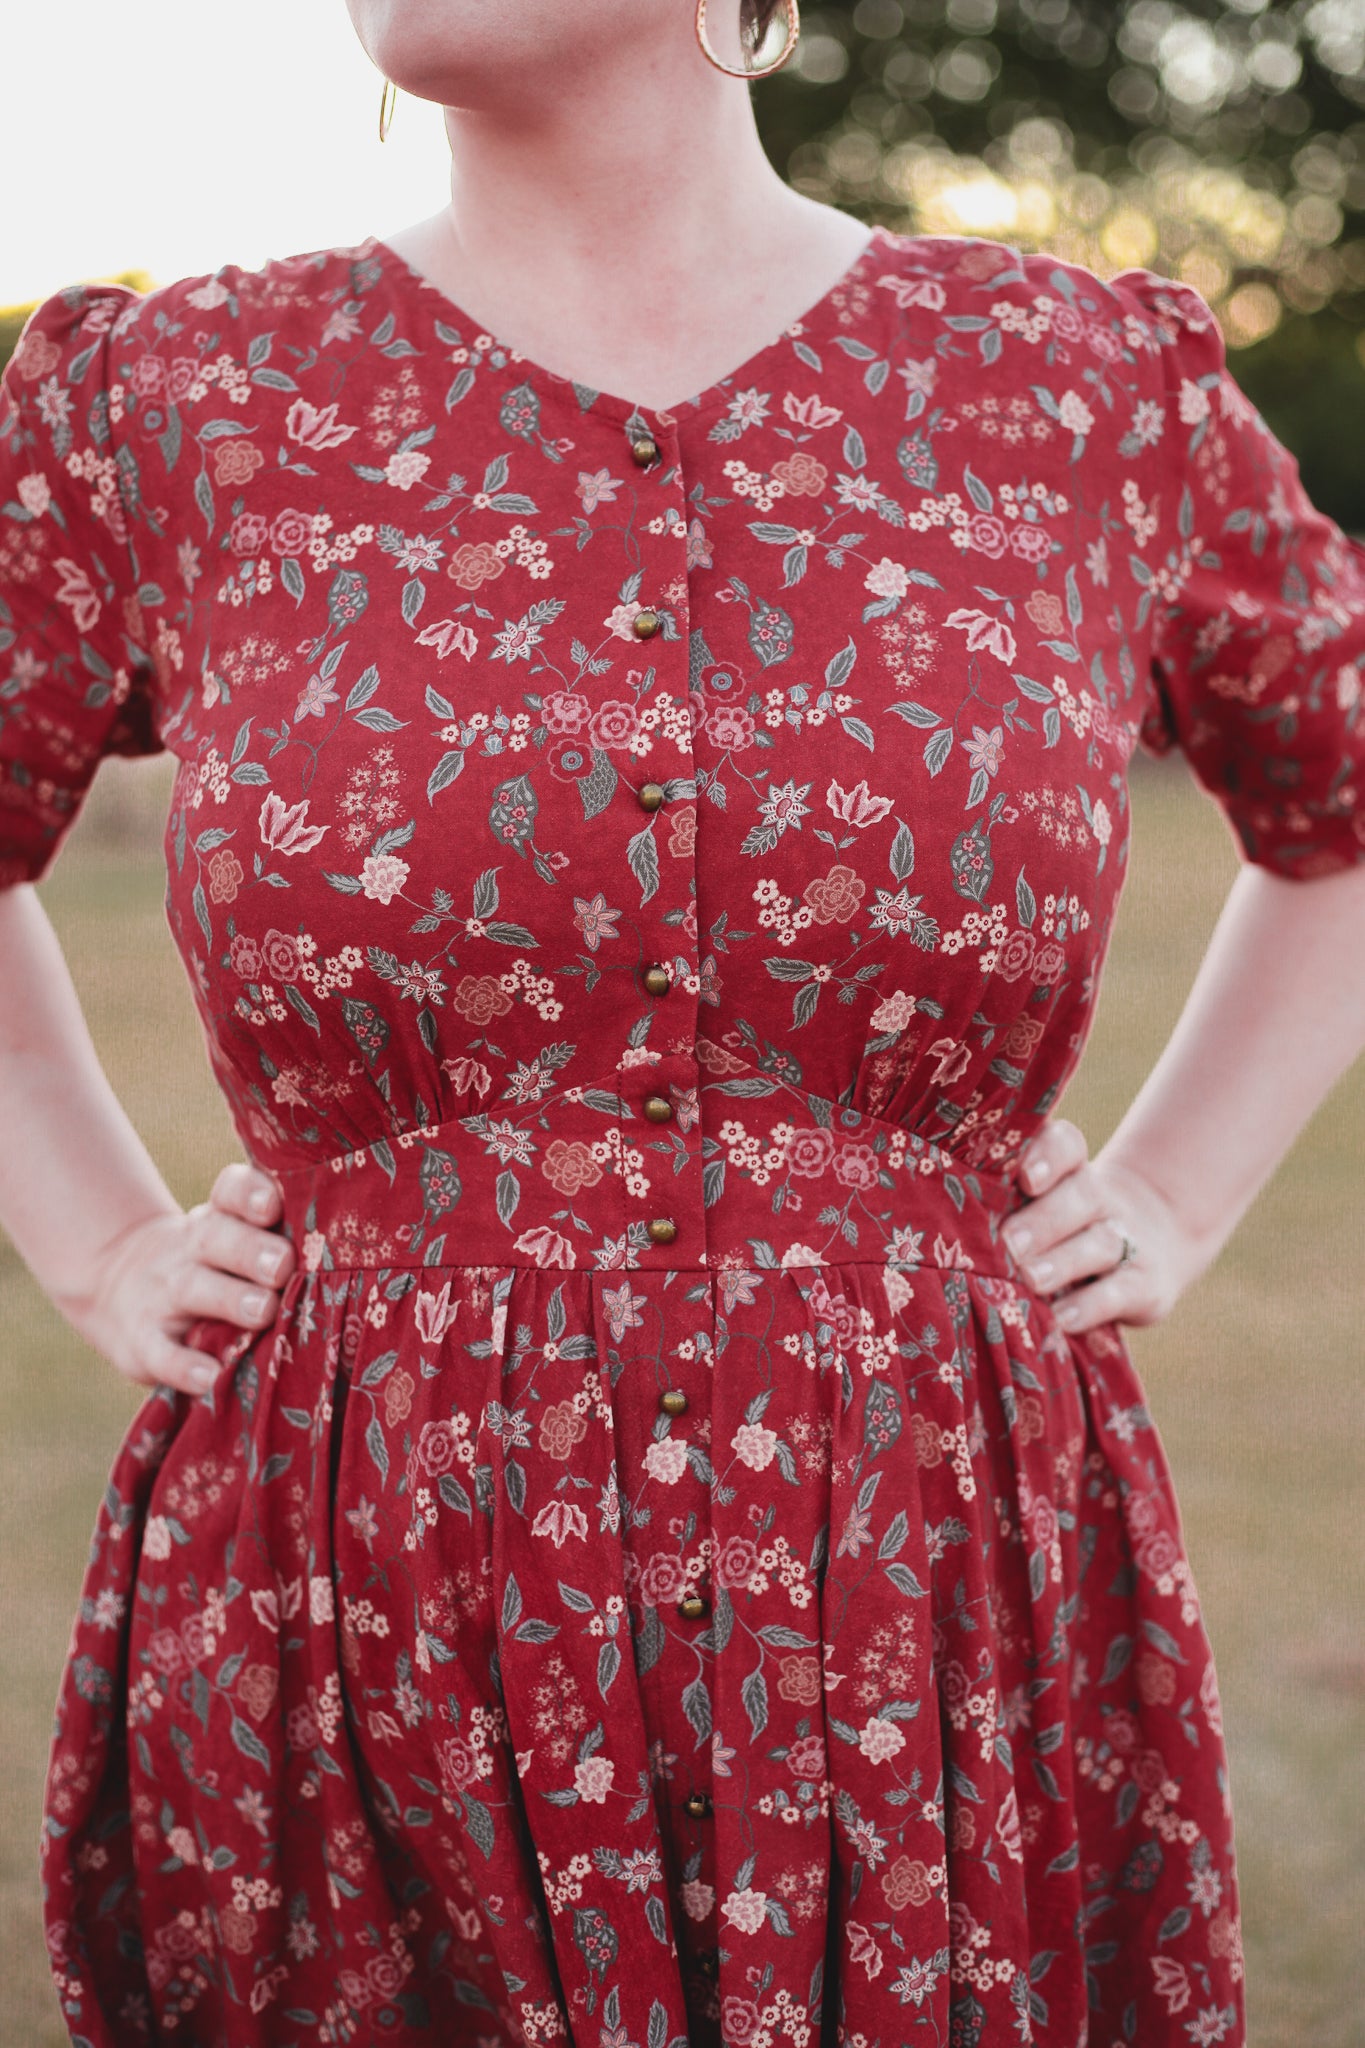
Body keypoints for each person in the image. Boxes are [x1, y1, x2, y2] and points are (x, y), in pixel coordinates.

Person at [3, 0, 1364, 2041]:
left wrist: (1171, 1189)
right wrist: (95, 1233)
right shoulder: (176, 397)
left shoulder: (1076, 390)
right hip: (365, 1577)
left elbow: (1339, 802)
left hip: (923, 1567)